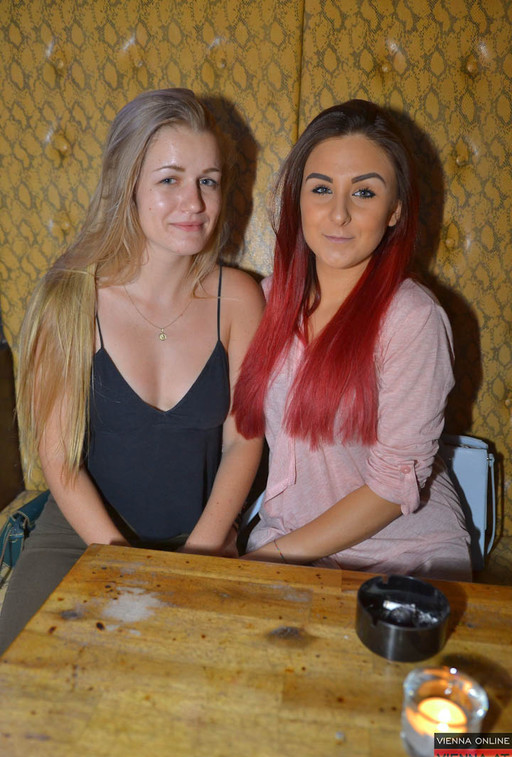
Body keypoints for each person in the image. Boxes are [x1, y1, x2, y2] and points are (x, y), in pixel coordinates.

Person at [0, 88, 264, 652]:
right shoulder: (69, 296)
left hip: (202, 537)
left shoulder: (240, 298)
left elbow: (244, 440)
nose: (194, 202)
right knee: (20, 677)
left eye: (209, 181)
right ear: (128, 186)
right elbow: (57, 459)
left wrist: (201, 552)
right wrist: (122, 564)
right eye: (170, 179)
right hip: (82, 535)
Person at [232, 99, 471, 580]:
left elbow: (392, 488)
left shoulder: (413, 318)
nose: (338, 214)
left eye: (364, 192)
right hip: (288, 539)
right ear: (298, 200)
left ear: (394, 211)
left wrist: (269, 560)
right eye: (322, 189)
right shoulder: (265, 300)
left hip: (403, 556)